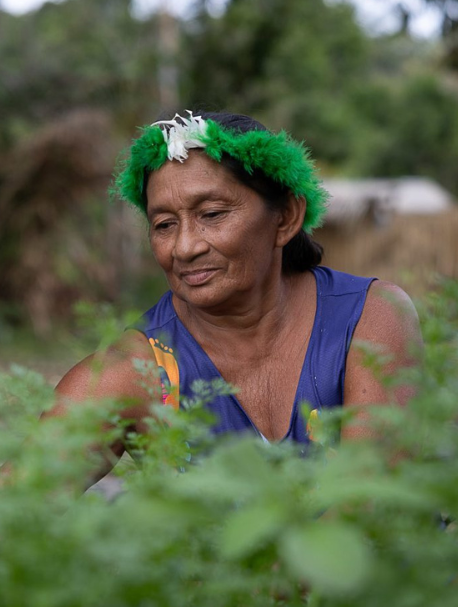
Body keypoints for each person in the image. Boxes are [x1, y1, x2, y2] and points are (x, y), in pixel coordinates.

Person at [48, 110, 423, 478]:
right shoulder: (133, 372)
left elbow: (371, 507)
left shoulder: (368, 319)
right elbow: (10, 512)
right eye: (164, 225)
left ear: (286, 217)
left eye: (211, 214)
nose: (184, 247)